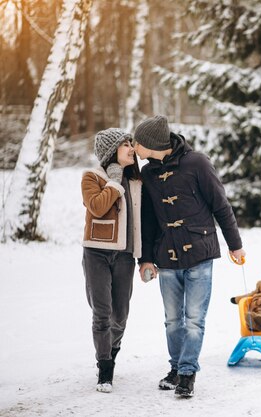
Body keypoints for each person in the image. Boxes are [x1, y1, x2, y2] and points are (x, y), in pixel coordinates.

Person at [134, 115, 245, 398]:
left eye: (138, 141)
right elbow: (147, 220)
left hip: (199, 252)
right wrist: (145, 259)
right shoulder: (147, 174)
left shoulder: (197, 163)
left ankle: (186, 373)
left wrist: (235, 245)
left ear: (152, 143)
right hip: (166, 256)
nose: (135, 145)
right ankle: (175, 367)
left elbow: (221, 205)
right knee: (173, 320)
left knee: (194, 319)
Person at [81, 128, 142, 393]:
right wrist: (114, 182)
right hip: (96, 252)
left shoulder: (137, 182)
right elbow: (97, 207)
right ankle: (105, 368)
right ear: (111, 151)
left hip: (125, 255)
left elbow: (144, 222)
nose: (132, 148)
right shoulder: (92, 177)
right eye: (126, 144)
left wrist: (146, 257)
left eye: (131, 143)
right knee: (102, 314)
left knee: (120, 316)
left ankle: (112, 351)